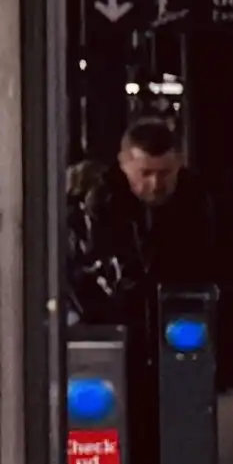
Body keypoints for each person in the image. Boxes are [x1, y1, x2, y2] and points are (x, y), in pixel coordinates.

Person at [61, 107, 216, 355]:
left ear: (178, 164)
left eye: (165, 174)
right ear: (125, 166)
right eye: (146, 174)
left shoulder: (196, 204)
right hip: (113, 330)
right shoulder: (97, 208)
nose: (155, 184)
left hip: (178, 327)